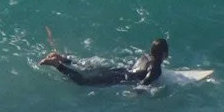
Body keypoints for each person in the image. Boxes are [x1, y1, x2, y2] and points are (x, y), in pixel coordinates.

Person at [38, 36, 168, 88]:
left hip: (120, 70)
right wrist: (136, 94)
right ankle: (57, 64)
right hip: (120, 78)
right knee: (84, 82)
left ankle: (63, 59)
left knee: (88, 69)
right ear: (163, 54)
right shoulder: (156, 67)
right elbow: (144, 83)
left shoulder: (145, 56)